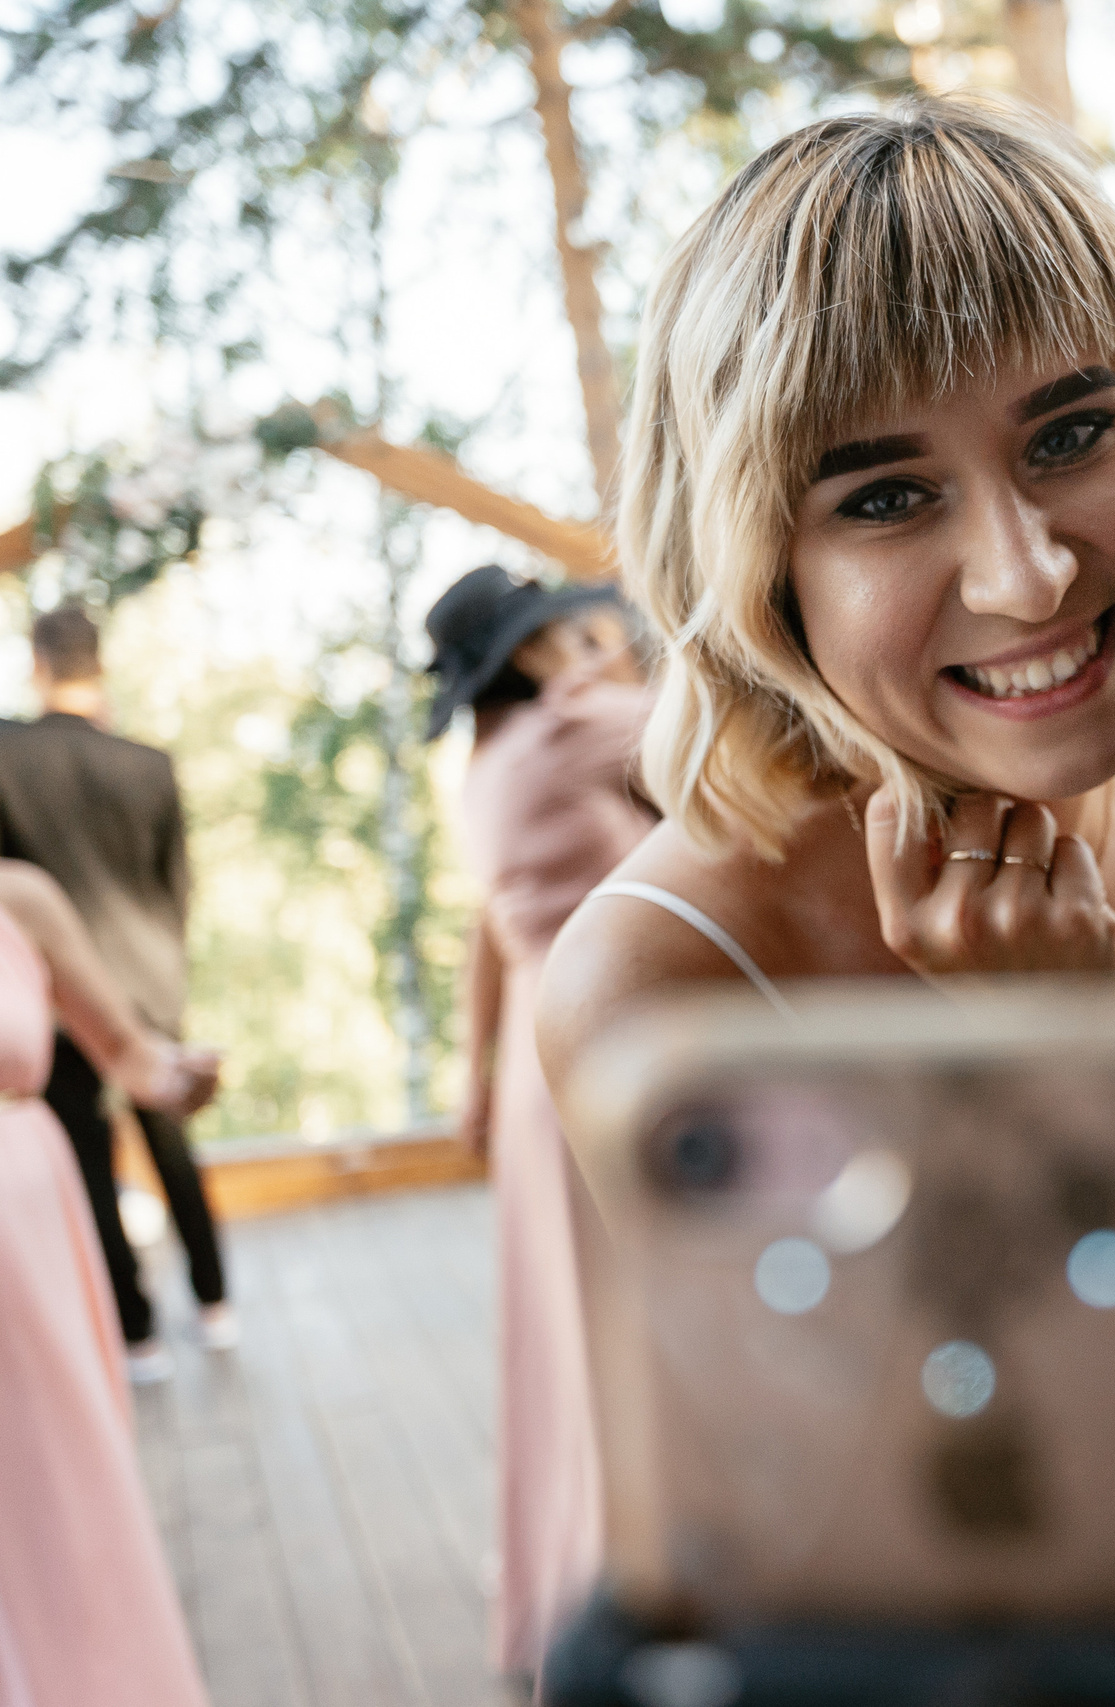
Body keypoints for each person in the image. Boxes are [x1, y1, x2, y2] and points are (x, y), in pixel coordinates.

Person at [539, 97, 1115, 1095]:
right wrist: (1066, 1069)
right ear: (759, 580)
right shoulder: (658, 990)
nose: (1026, 579)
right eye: (886, 498)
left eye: (1067, 436)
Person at [423, 565, 655, 1683]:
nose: (583, 641)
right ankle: (624, 1568)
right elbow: (730, 739)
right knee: (621, 1324)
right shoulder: (575, 727)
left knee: (557, 1328)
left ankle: (559, 1569)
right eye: (561, 632)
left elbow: (482, 931)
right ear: (528, 658)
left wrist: (468, 1073)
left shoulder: (481, 764)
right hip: (604, 1043)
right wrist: (625, 668)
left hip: (530, 1055)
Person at [0, 857, 218, 1707]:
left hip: (19, 1234)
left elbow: (127, 1053)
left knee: (52, 1502)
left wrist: (175, 1074)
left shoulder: (19, 897)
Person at [0, 601, 229, 1381]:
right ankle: (217, 1302)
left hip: (48, 997)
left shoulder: (4, 752)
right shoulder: (148, 763)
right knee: (172, 1147)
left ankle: (138, 1336)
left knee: (88, 1160)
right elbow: (178, 887)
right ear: (100, 665)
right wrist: (162, 977)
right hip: (148, 980)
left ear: (38, 663)